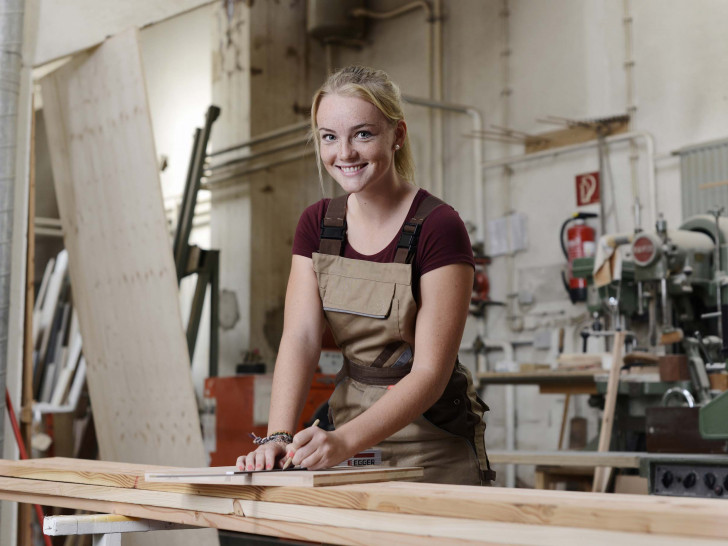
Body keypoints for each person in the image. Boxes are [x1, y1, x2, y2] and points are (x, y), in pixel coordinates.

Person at [236, 65, 495, 485]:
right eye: (329, 137)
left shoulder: (438, 226)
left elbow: (430, 373)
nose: (345, 154)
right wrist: (278, 437)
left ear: (398, 135)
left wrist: (343, 441)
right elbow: (300, 338)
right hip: (352, 443)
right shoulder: (318, 225)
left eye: (363, 134)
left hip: (432, 447)